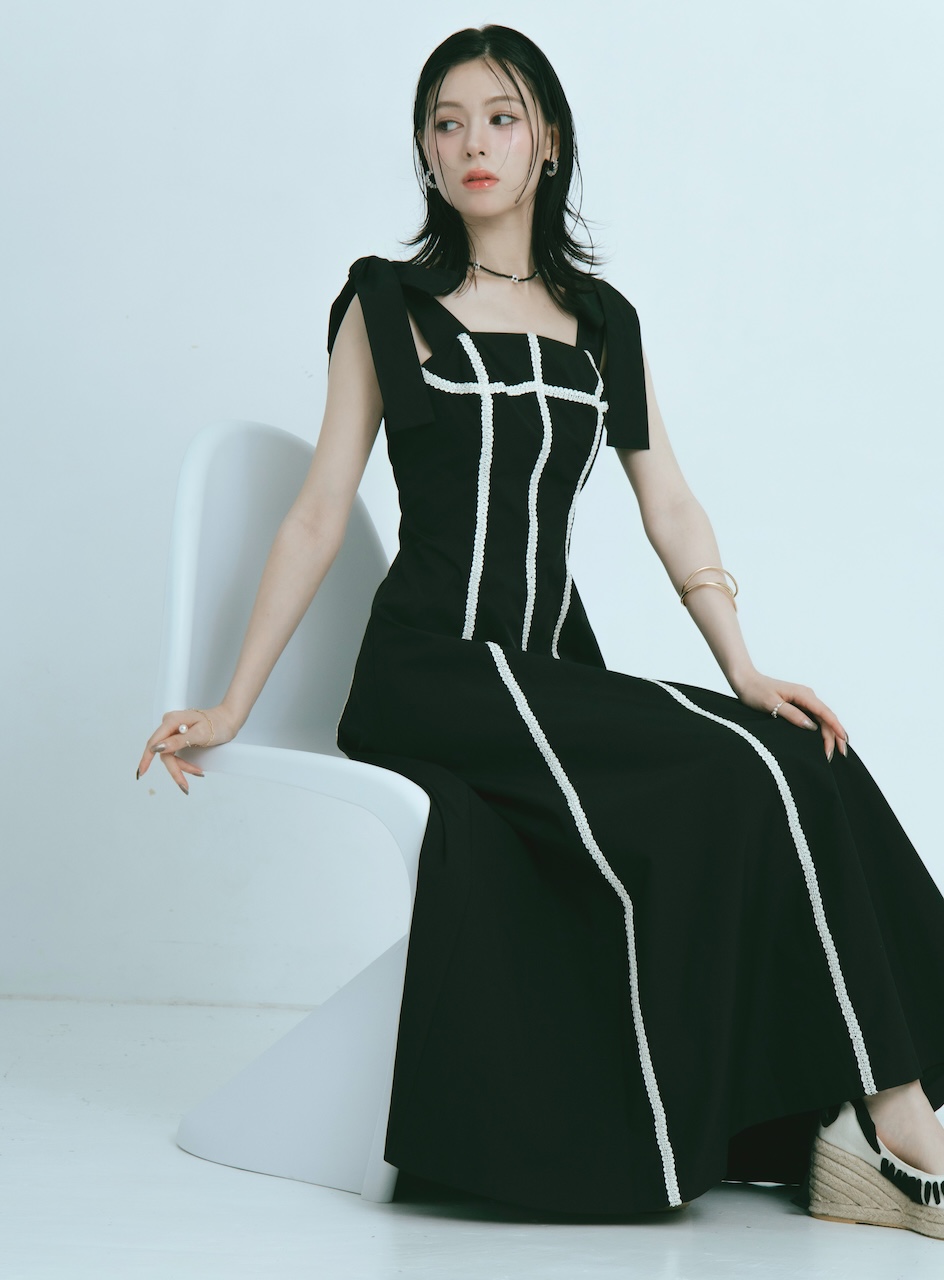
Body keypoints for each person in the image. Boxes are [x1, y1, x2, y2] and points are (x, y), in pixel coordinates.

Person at [138, 24, 944, 1235]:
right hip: (432, 671)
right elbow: (317, 511)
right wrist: (231, 700)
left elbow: (667, 500)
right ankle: (897, 1131)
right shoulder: (383, 304)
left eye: (500, 117)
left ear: (546, 143)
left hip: (544, 667)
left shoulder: (602, 322)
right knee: (733, 772)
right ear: (424, 149)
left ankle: (857, 1107)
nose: (472, 141)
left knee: (788, 747)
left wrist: (741, 665)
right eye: (446, 120)